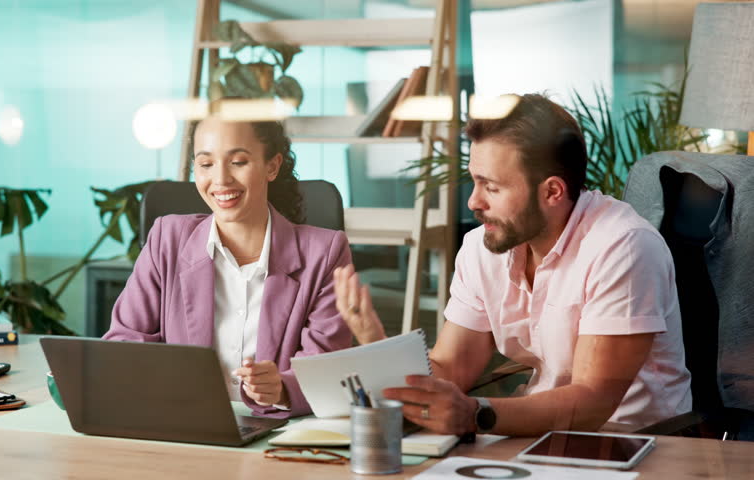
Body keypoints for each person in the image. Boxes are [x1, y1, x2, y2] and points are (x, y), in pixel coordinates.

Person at [334, 94, 692, 436]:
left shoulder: (622, 246)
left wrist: (475, 414)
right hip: (538, 438)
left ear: (552, 192)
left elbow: (592, 402)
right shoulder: (482, 248)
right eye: (474, 182)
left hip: (635, 444)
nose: (474, 201)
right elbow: (450, 371)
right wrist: (375, 342)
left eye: (491, 187)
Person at [103, 111, 353, 418]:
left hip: (277, 436)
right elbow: (125, 342)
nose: (220, 179)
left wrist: (283, 388)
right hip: (181, 425)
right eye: (206, 164)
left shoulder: (325, 252)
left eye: (238, 161)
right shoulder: (167, 239)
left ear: (272, 166)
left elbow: (328, 363)